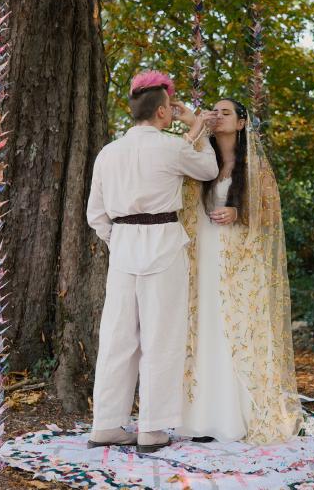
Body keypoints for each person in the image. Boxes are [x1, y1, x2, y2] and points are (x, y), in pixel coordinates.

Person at [86, 70, 219, 453]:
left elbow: (96, 215)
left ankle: (106, 424)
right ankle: (152, 429)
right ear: (163, 111)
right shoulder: (171, 147)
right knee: (162, 339)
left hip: (123, 248)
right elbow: (209, 170)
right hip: (163, 245)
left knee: (116, 339)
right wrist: (195, 126)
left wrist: (119, 240)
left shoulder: (108, 153)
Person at [179, 98, 304, 445]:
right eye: (215, 111)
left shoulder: (254, 167)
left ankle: (237, 417)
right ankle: (202, 418)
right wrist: (191, 124)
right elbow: (178, 184)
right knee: (204, 328)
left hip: (239, 263)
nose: (218, 116)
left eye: (227, 112)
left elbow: (270, 215)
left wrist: (239, 213)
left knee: (233, 330)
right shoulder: (203, 161)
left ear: (241, 123)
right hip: (203, 258)